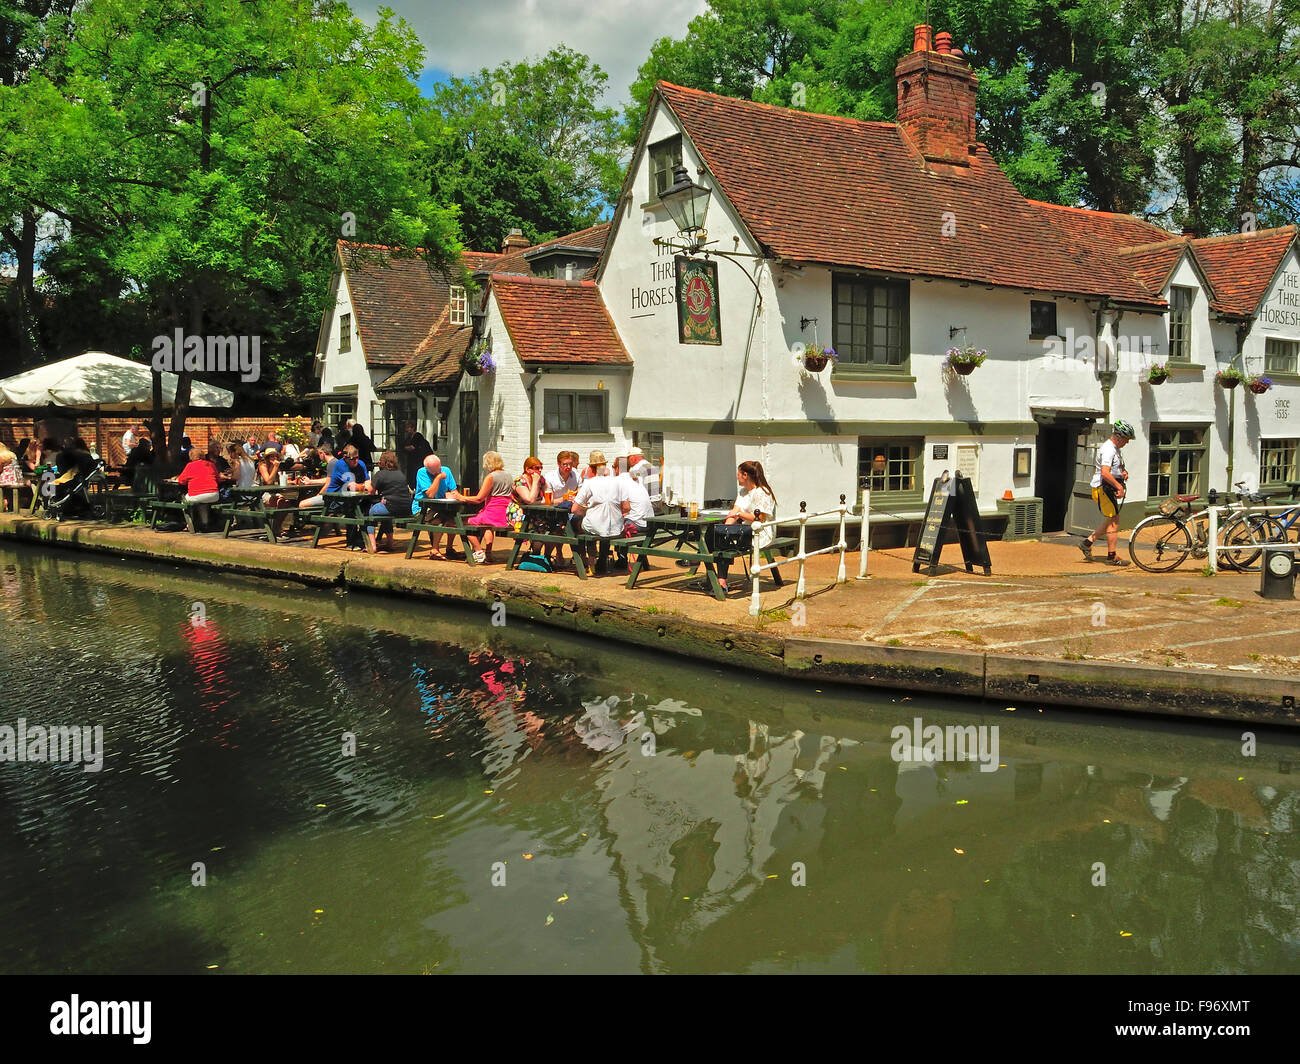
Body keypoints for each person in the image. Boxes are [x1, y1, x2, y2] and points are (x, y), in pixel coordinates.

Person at [711, 461, 778, 587]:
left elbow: (760, 518)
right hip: (746, 529)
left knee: (723, 543)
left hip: (761, 532)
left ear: (745, 475)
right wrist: (726, 528)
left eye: (738, 474)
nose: (737, 476)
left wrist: (739, 515)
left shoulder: (762, 492)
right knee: (717, 533)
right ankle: (707, 566)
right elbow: (734, 512)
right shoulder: (743, 492)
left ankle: (719, 580)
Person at [1081, 419, 1134, 566]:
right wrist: (1119, 486)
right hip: (1103, 488)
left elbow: (1114, 469)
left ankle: (1087, 542)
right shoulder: (1109, 449)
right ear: (1118, 436)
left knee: (1112, 519)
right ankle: (1111, 557)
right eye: (1126, 439)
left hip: (1106, 487)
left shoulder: (1115, 449)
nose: (1127, 442)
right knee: (1114, 522)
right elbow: (1105, 473)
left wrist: (1123, 472)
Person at [571, 451, 630, 573]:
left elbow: (574, 509)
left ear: (591, 468)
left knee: (576, 523)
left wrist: (586, 510)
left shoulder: (589, 483)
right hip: (616, 528)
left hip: (595, 527)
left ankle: (585, 560)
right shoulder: (618, 482)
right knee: (602, 526)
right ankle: (601, 560)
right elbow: (626, 507)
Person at [453, 450, 513, 564]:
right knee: (487, 527)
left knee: (464, 523)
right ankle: (488, 553)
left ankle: (479, 551)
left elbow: (479, 498)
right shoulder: (509, 475)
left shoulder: (491, 477)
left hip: (493, 510)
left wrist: (462, 497)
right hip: (504, 512)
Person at [363, 451, 412, 553]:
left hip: (391, 506)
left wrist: (366, 484)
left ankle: (372, 545)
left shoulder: (380, 474)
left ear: (382, 462)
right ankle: (390, 543)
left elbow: (371, 491)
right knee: (386, 515)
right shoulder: (400, 474)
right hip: (406, 508)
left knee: (370, 512)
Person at [414, 454, 459, 559]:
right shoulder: (422, 473)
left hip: (442, 507)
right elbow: (430, 495)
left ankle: (449, 548)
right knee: (439, 519)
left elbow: (454, 491)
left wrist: (452, 495)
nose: (438, 472)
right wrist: (438, 478)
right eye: (434, 471)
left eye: (439, 469)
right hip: (422, 509)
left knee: (454, 519)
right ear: (427, 469)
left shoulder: (446, 470)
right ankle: (434, 550)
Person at [614, 456, 655, 570]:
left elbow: (622, 506)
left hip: (636, 524)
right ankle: (641, 561)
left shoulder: (618, 481)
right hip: (650, 523)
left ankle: (620, 559)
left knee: (611, 524)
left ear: (617, 468)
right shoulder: (637, 479)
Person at [506, 455, 546, 532]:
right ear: (527, 469)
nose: (540, 470)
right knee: (537, 529)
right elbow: (530, 500)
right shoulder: (520, 482)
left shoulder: (541, 480)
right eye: (537, 468)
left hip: (535, 511)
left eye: (541, 468)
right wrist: (535, 482)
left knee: (551, 528)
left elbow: (550, 498)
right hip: (519, 512)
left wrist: (535, 503)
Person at [402, 422, 433, 489]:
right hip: (412, 462)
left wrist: (404, 448)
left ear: (413, 428)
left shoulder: (417, 436)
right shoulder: (408, 438)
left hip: (418, 462)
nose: (406, 430)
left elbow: (412, 447)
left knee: (416, 477)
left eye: (408, 428)